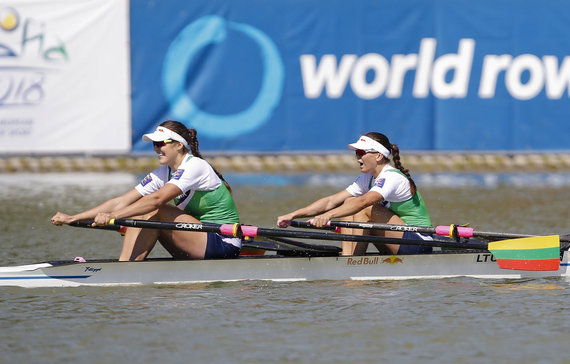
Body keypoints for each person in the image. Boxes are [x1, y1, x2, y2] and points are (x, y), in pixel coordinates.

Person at [51, 120, 241, 261]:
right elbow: (120, 201)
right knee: (144, 209)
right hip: (198, 239)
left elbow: (156, 200)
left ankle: (125, 268)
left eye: (161, 143)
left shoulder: (195, 166)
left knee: (151, 209)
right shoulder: (162, 173)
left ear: (179, 145)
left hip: (223, 243)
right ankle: (126, 266)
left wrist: (113, 217)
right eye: (154, 144)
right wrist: (73, 217)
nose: (156, 148)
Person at [277, 132, 433, 256]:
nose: (357, 157)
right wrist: (292, 215)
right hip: (399, 241)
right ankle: (348, 258)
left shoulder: (392, 177)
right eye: (356, 153)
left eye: (361, 152)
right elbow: (331, 201)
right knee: (349, 201)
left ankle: (350, 263)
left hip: (419, 242)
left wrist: (328, 216)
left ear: (378, 156)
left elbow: (363, 203)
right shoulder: (367, 179)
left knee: (363, 207)